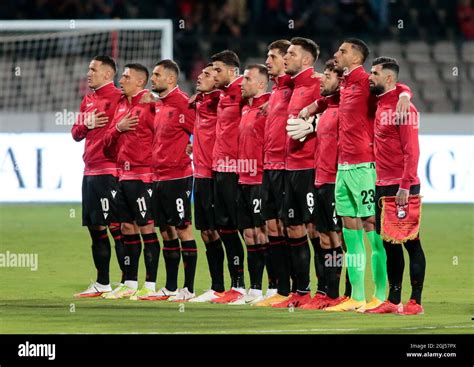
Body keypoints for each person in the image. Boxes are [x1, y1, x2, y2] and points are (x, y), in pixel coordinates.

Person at [299, 38, 412, 312]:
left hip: (364, 167)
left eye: (342, 51)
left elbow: (395, 87)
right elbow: (328, 98)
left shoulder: (365, 80)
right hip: (343, 167)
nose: (337, 53)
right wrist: (312, 107)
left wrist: (406, 94)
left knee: (372, 229)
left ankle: (381, 294)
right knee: (350, 231)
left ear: (357, 58)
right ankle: (357, 296)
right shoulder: (347, 82)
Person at [366, 57, 425, 315]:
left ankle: (416, 302)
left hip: (402, 187)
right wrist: (404, 92)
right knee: (389, 244)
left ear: (389, 78)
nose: (371, 76)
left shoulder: (405, 110)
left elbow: (412, 151)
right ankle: (393, 300)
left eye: (375, 73)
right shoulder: (381, 103)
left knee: (411, 242)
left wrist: (404, 186)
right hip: (382, 185)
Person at [140, 59, 197, 302]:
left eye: (156, 75)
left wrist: (194, 146)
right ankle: (171, 287)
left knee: (183, 228)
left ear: (171, 79)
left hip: (178, 176)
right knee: (165, 230)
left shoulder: (183, 103)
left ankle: (189, 289)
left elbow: (203, 129)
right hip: (158, 176)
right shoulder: (159, 105)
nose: (152, 79)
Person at [101, 63, 159, 300]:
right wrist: (117, 128)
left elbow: (167, 132)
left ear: (139, 82)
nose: (121, 80)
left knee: (147, 228)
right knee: (127, 229)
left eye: (126, 77)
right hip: (122, 176)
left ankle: (151, 285)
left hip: (144, 176)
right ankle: (130, 282)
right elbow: (106, 142)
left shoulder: (152, 104)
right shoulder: (121, 106)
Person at [272, 37, 321, 309]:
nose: (285, 57)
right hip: (288, 167)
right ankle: (300, 291)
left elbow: (339, 105)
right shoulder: (290, 86)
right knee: (292, 229)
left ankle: (326, 292)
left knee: (317, 230)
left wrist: (314, 124)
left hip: (310, 168)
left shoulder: (317, 82)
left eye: (290, 53)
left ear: (305, 60)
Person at [72, 56, 126, 298]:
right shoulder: (88, 99)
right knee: (95, 227)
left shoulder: (119, 98)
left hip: (110, 170)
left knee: (117, 227)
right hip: (90, 171)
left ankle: (128, 282)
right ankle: (103, 283)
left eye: (93, 69)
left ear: (107, 74)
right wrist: (87, 123)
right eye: (88, 69)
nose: (88, 73)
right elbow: (75, 133)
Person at [300, 59, 347, 310]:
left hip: (336, 180)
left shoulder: (347, 107)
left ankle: (347, 294)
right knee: (324, 238)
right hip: (319, 179)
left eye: (328, 76)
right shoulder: (327, 106)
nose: (322, 79)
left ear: (341, 81)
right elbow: (322, 100)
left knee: (341, 239)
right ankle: (328, 293)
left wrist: (405, 93)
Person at [255, 40, 293, 307]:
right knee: (271, 228)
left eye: (273, 57)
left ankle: (301, 289)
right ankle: (281, 289)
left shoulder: (301, 85)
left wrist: (405, 92)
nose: (267, 61)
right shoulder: (277, 92)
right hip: (268, 168)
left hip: (288, 167)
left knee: (295, 229)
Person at [229, 64, 271, 305]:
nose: (241, 82)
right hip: (243, 179)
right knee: (249, 234)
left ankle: (274, 286)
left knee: (263, 233)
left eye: (247, 79)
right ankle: (254, 289)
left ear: (261, 84)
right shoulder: (246, 108)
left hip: (260, 179)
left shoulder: (269, 108)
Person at [210, 50, 247, 304]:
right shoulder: (221, 95)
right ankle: (235, 286)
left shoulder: (243, 91)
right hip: (218, 169)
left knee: (245, 230)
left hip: (236, 170)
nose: (214, 74)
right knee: (225, 228)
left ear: (233, 72)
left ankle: (254, 287)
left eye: (218, 70)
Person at [188, 64, 227, 303]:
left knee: (224, 231)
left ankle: (239, 286)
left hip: (217, 174)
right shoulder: (200, 101)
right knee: (206, 232)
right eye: (200, 73)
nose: (199, 76)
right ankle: (217, 287)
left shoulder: (221, 99)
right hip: (199, 174)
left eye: (207, 74)